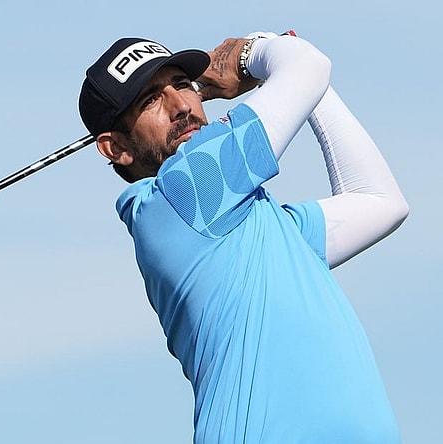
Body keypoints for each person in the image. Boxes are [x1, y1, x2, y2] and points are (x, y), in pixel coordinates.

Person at [78, 32, 409, 443]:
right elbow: (307, 65)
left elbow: (381, 202)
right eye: (150, 101)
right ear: (117, 148)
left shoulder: (254, 224)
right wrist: (256, 51)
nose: (181, 105)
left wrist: (307, 84)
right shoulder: (181, 194)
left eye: (182, 84)